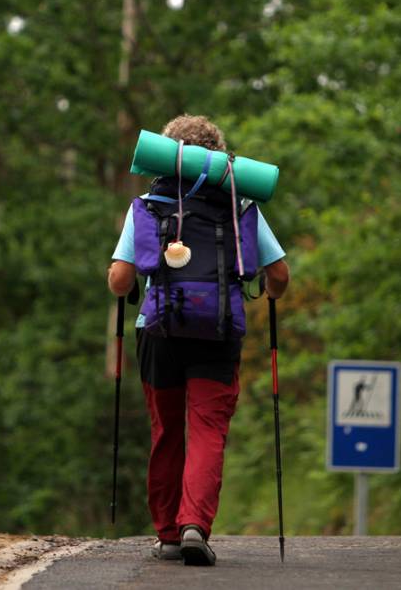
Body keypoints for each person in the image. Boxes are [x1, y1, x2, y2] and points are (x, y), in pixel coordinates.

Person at [107, 115, 290, 566]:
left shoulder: (148, 205)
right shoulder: (239, 204)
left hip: (159, 331)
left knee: (167, 431)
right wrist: (268, 293)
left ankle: (168, 534)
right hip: (218, 331)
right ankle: (195, 525)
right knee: (207, 429)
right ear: (219, 156)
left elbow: (120, 280)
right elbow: (280, 275)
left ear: (167, 156)